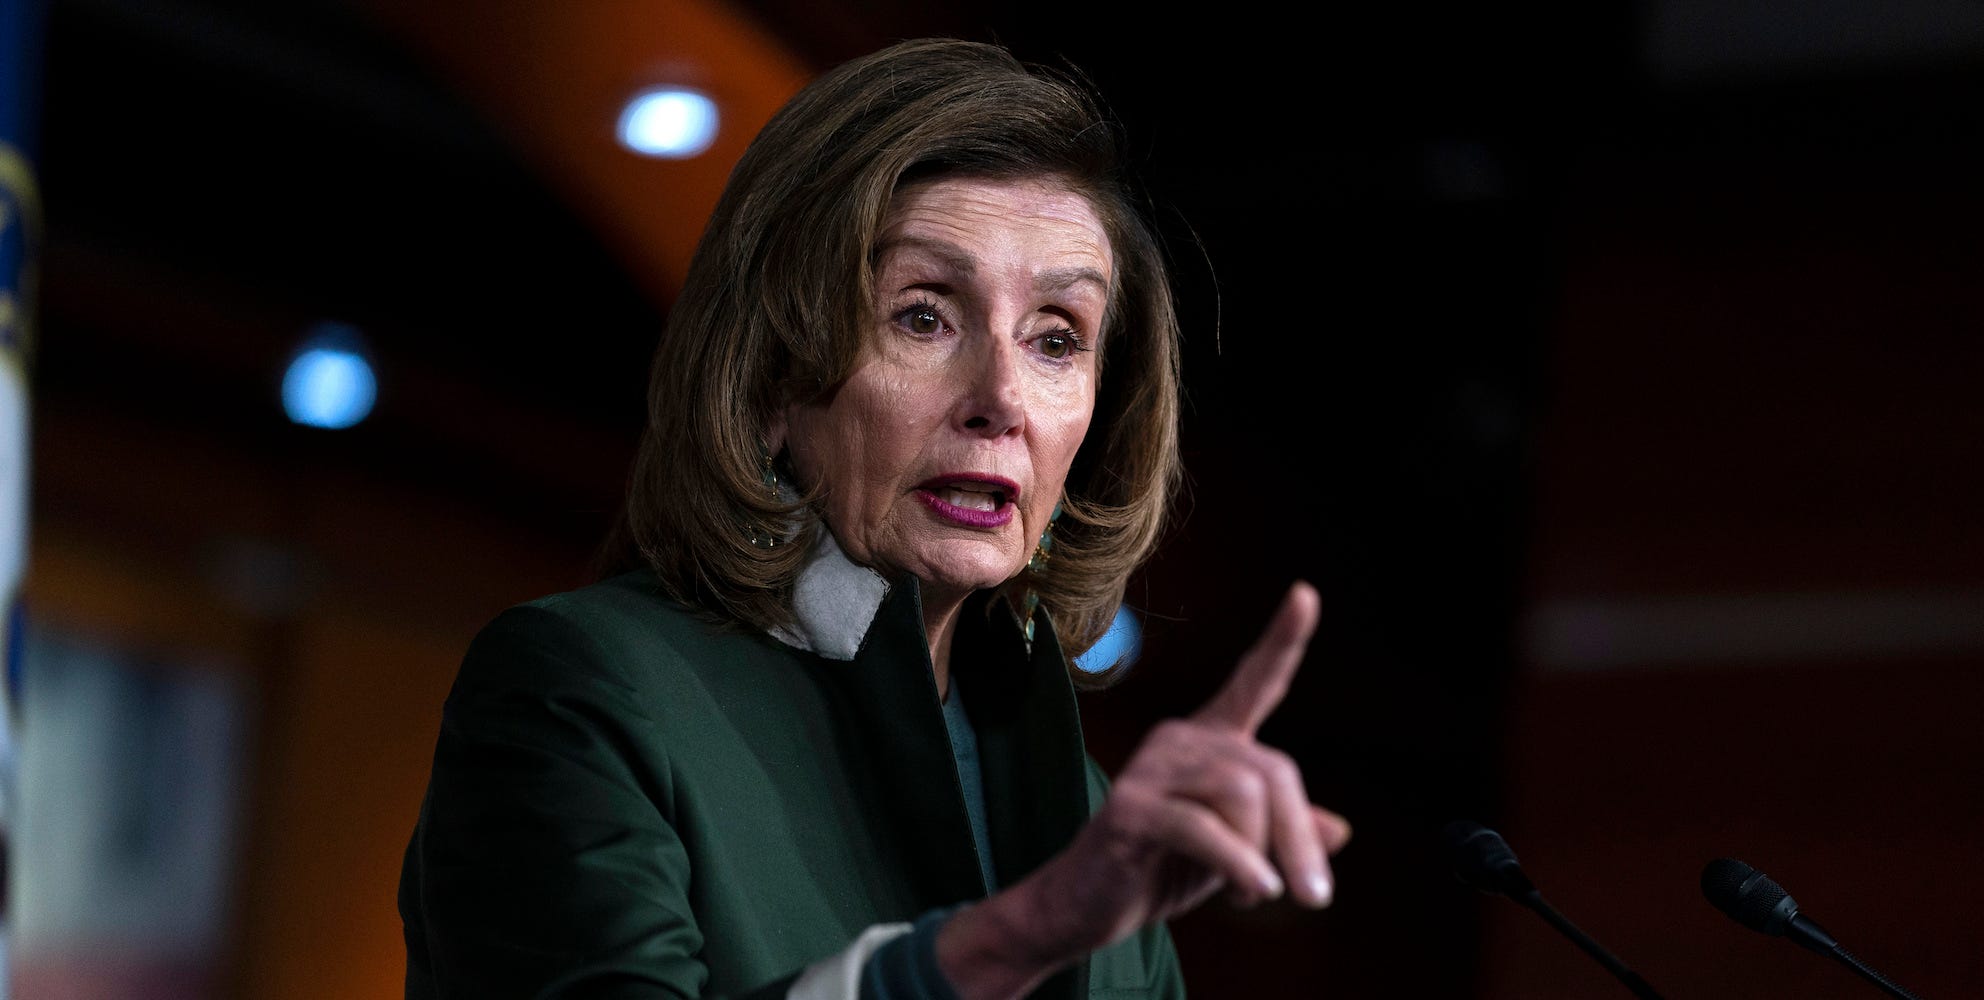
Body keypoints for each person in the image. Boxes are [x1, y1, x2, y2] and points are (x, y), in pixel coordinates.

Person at [397, 36, 1351, 1000]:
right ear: (771, 374)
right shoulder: (584, 689)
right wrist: (1012, 941)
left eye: (1056, 339)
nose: (1001, 397)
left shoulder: (1094, 824)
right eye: (924, 316)